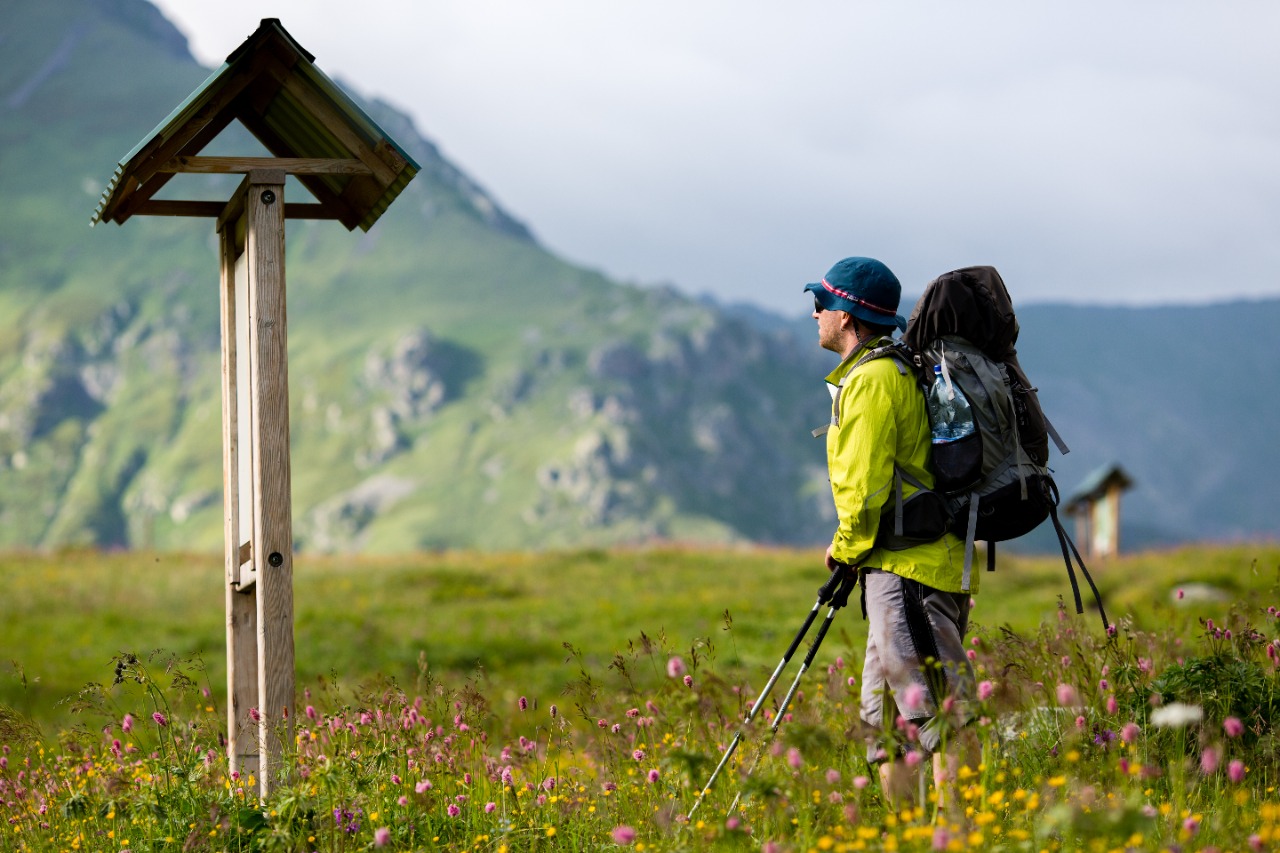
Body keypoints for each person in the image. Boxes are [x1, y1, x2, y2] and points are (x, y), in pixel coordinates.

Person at [803, 256, 976, 806]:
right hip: (894, 570)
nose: (814, 315)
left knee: (939, 715)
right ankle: (906, 836)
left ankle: (966, 836)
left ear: (848, 318)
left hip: (909, 572)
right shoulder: (881, 372)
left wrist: (843, 549)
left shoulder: (875, 380)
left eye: (821, 304)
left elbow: (866, 489)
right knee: (885, 728)